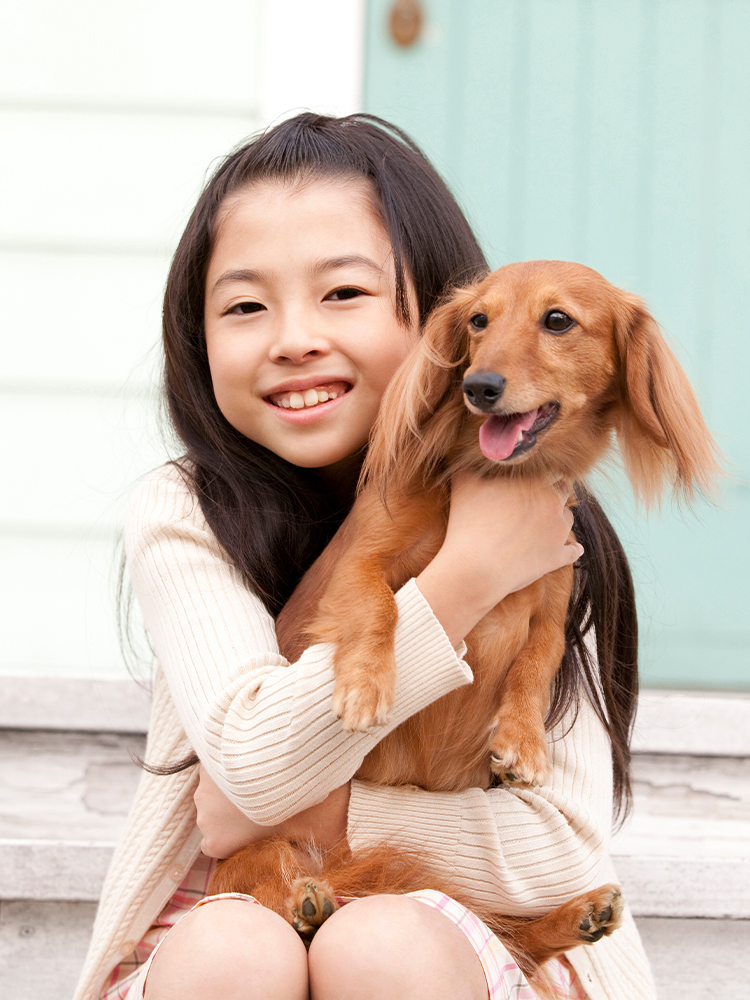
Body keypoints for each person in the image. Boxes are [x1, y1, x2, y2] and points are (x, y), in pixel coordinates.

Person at [74, 113, 657, 1000]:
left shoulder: (549, 522)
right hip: (233, 908)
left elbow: (557, 854)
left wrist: (325, 812)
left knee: (383, 944)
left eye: (342, 293)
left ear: (445, 320)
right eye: (244, 306)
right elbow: (257, 767)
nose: (293, 337)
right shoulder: (191, 513)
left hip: (469, 938)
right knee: (233, 950)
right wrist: (459, 580)